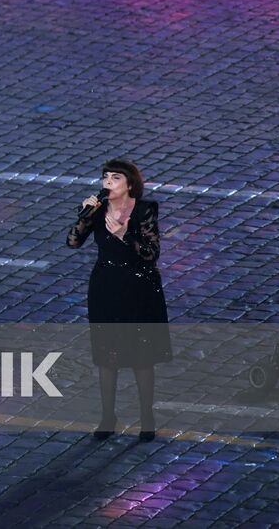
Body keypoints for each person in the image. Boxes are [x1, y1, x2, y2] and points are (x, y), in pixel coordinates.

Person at [67, 158, 171, 442]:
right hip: (106, 287)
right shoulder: (98, 211)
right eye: (106, 177)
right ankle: (107, 416)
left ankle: (146, 417)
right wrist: (86, 215)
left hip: (139, 288)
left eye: (115, 178)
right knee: (107, 357)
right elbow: (73, 242)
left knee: (142, 357)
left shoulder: (145, 210)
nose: (108, 183)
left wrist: (125, 234)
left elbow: (151, 253)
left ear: (129, 184)